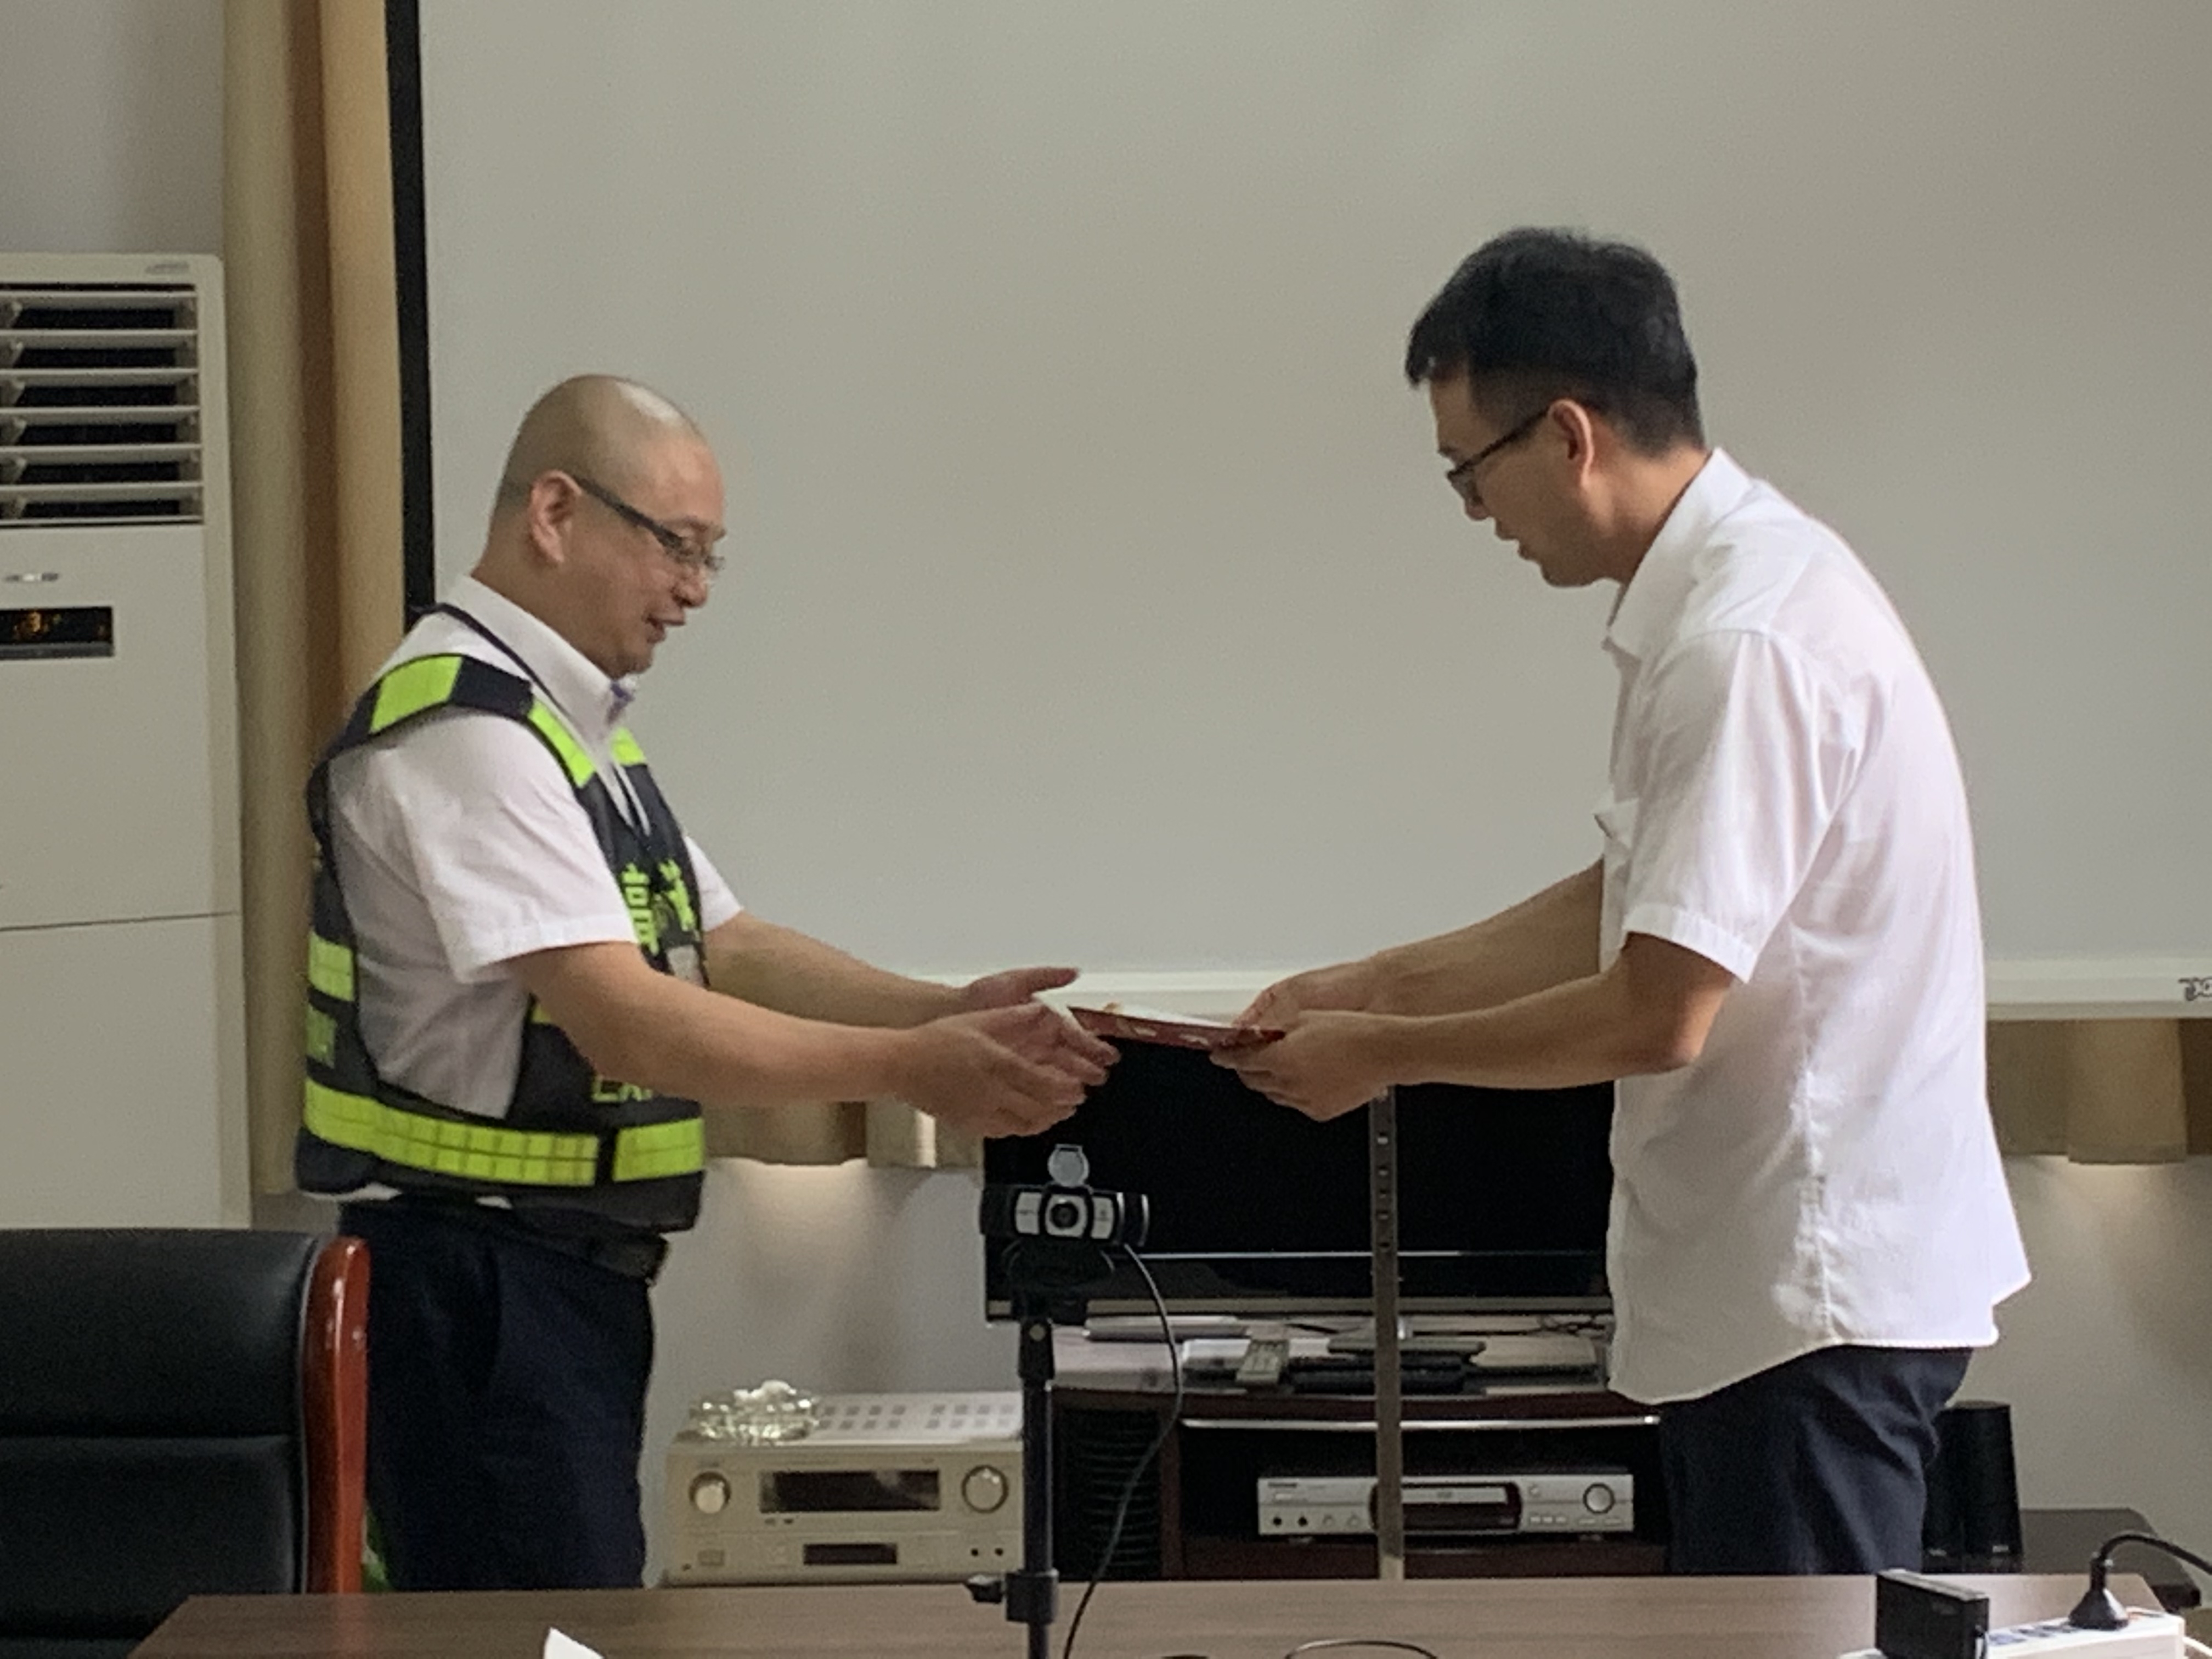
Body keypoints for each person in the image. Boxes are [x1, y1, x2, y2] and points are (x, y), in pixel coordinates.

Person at [1217, 229, 2029, 1575]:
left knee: (1796, 1652)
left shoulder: (1741, 642)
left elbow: (1660, 1010)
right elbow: (1640, 900)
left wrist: (1385, 1053)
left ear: (1569, 436)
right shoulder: (1743, 593)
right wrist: (1369, 984)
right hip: (1784, 1300)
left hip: (1806, 1302)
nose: (1474, 509)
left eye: (1470, 469)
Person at [295, 374, 1118, 1590]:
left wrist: (942, 1010)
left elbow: (724, 943)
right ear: (556, 513)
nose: (694, 589)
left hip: (545, 1277)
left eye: (710, 557)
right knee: (541, 1640)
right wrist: (911, 1067)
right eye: (674, 546)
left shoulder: (565, 724)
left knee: (574, 1619)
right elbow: (627, 1023)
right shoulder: (467, 733)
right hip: (475, 1282)